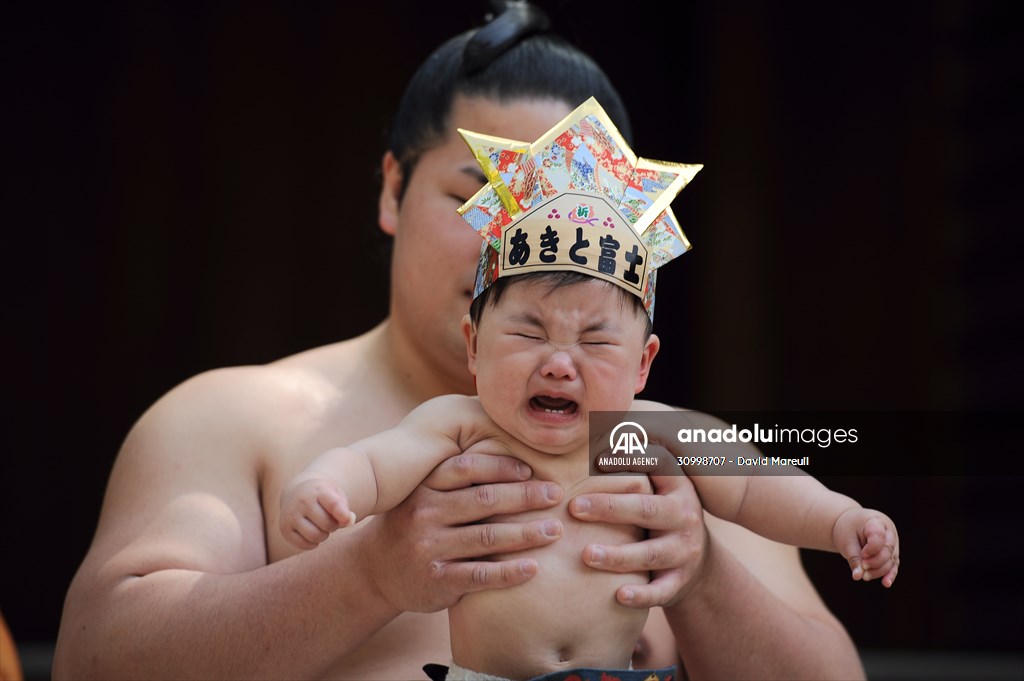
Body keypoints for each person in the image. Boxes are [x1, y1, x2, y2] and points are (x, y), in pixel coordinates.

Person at [53, 3, 868, 679]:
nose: (519, 247)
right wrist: (368, 573)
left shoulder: (656, 446)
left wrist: (702, 574)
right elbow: (95, 658)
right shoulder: (235, 420)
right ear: (392, 188)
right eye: (480, 196)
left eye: (567, 219)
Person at [278, 100, 899, 681]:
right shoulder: (459, 426)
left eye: (596, 343)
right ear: (474, 345)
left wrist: (840, 519)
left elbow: (755, 484)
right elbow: (372, 465)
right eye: (528, 333)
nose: (558, 364)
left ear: (642, 365)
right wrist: (326, 486)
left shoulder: (649, 434)